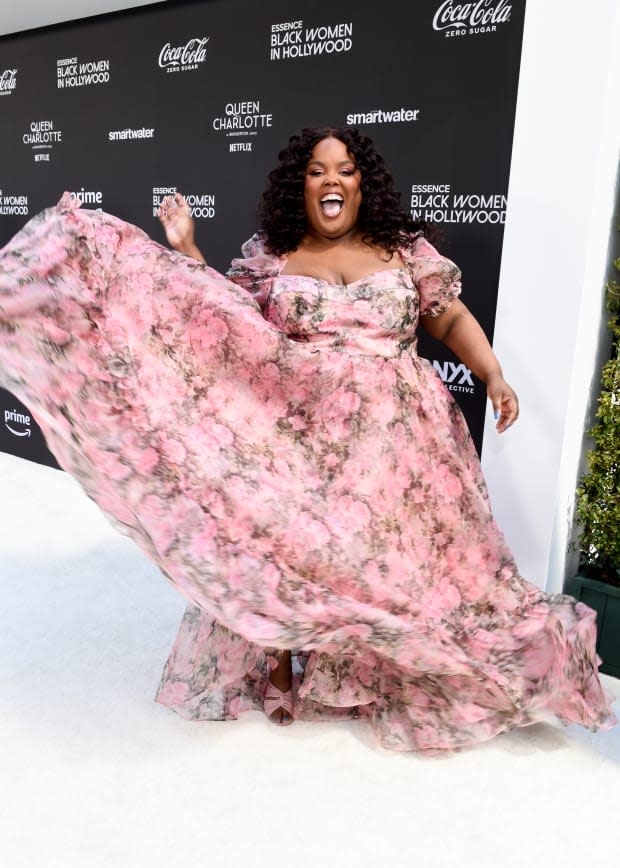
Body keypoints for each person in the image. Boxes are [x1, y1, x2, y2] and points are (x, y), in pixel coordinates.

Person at [0, 127, 615, 752]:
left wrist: (492, 373)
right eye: (317, 171)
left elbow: (447, 315)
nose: (330, 181)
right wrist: (186, 248)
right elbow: (220, 324)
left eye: (344, 170)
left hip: (405, 444)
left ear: (360, 182)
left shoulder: (403, 251)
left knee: (402, 566)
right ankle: (281, 650)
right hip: (308, 431)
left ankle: (389, 668)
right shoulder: (274, 255)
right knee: (299, 549)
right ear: (302, 185)